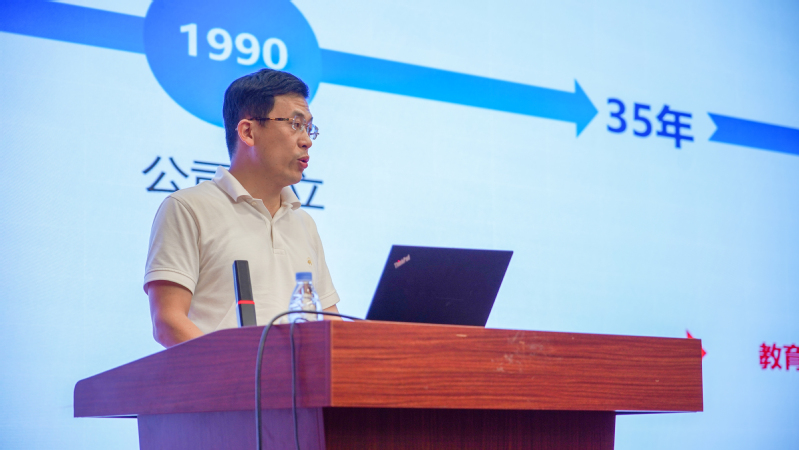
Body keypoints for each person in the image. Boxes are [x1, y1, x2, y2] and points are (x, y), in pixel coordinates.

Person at [144, 69, 341, 348]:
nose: (306, 140)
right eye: (295, 124)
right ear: (248, 132)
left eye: (308, 128)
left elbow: (330, 322)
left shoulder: (303, 223)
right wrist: (237, 369)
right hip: (226, 376)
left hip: (295, 377)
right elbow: (168, 322)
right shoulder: (189, 208)